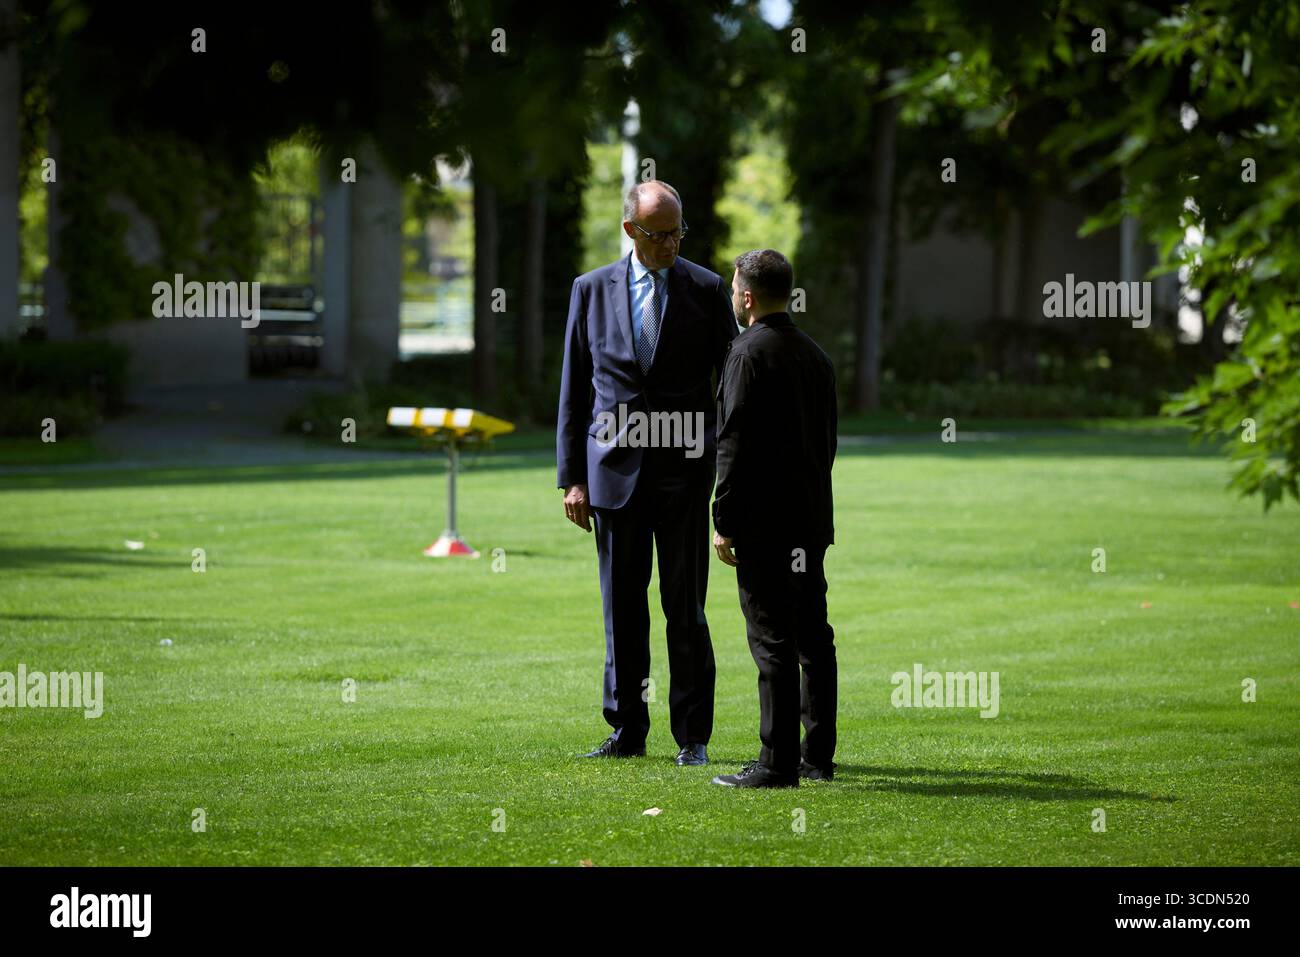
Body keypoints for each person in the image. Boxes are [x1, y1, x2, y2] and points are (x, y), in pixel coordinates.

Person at [556, 180, 737, 765]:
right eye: (661, 234)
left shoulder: (707, 289)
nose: (672, 244)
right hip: (612, 477)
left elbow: (731, 384)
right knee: (622, 610)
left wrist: (717, 455)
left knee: (685, 609)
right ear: (632, 230)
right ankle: (627, 730)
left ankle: (693, 738)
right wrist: (572, 478)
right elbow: (574, 392)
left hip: (685, 476)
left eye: (679, 232)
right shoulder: (589, 290)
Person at [710, 249, 839, 789]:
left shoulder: (746, 354)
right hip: (809, 519)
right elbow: (827, 443)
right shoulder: (815, 355)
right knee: (813, 636)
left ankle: (776, 762)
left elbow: (734, 443)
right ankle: (817, 756)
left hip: (765, 523)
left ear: (746, 296)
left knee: (771, 641)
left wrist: (724, 519)